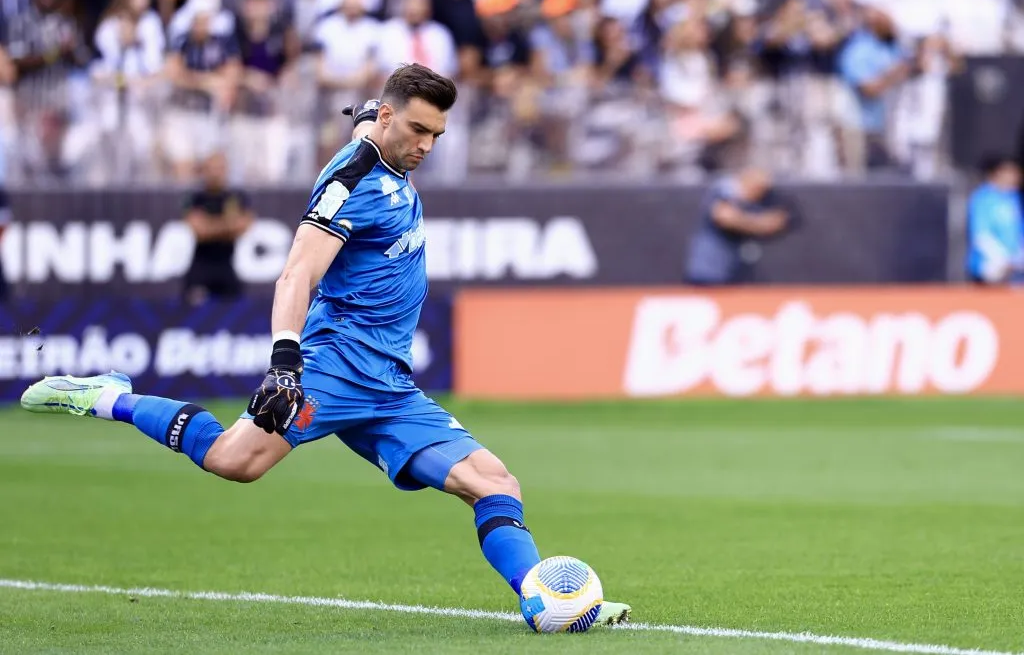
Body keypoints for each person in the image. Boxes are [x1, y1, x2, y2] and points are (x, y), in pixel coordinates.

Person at [19, 63, 631, 629]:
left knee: (496, 483)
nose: (426, 145)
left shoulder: (386, 139)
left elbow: (373, 117)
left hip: (390, 383)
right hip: (332, 367)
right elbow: (295, 275)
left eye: (437, 135)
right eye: (417, 129)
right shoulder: (350, 183)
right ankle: (110, 397)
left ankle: (544, 601)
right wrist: (285, 361)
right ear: (389, 120)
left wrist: (371, 110)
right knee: (235, 462)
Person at [685, 167, 791, 285]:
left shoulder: (747, 202)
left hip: (730, 272)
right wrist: (761, 223)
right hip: (708, 272)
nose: (759, 196)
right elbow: (725, 217)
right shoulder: (725, 188)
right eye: (759, 189)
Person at [182, 151, 255, 305]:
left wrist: (211, 225)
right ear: (204, 171)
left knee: (235, 313)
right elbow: (199, 231)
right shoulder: (196, 197)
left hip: (226, 266)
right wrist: (228, 225)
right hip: (201, 267)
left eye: (219, 168)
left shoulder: (236, 196)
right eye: (211, 168)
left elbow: (245, 225)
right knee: (191, 313)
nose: (215, 173)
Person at [965, 155, 1024, 285]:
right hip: (990, 268)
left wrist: (1018, 258)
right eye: (1010, 172)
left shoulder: (1015, 198)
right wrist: (1003, 259)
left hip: (1015, 269)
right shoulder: (982, 198)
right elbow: (980, 235)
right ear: (997, 173)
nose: (1016, 177)